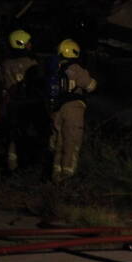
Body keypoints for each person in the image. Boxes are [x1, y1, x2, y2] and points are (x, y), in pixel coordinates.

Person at [48, 38, 97, 184]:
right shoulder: (76, 68)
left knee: (59, 142)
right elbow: (90, 86)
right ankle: (69, 177)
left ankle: (55, 176)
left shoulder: (55, 68)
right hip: (73, 108)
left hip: (57, 109)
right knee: (73, 141)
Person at [0, 29, 41, 173]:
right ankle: (23, 164)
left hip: (11, 104)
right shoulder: (31, 63)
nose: (30, 45)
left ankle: (11, 165)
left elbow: (1, 82)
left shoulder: (5, 63)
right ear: (22, 43)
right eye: (28, 43)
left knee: (12, 134)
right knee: (25, 133)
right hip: (27, 103)